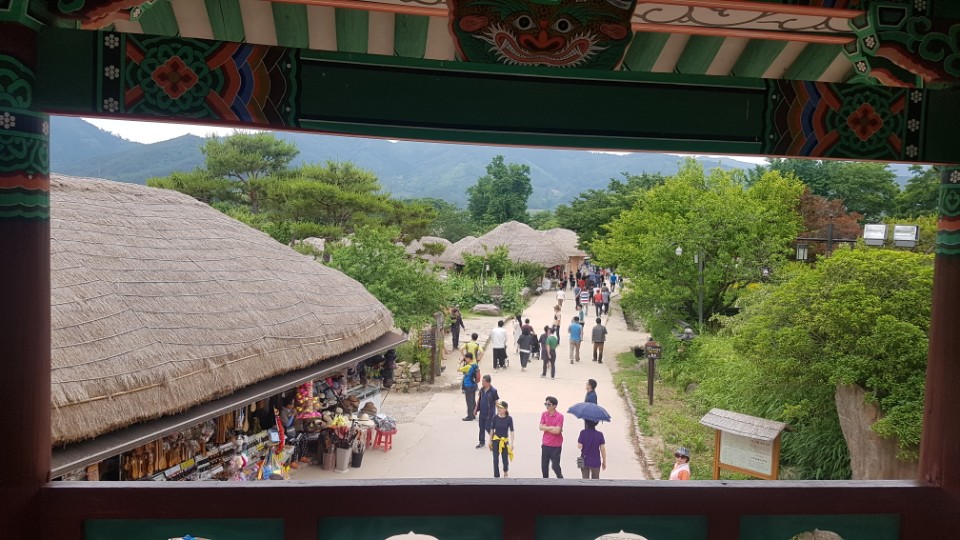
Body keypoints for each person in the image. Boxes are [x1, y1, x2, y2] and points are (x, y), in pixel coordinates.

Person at [539, 396, 564, 478]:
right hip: (545, 444)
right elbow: (540, 427)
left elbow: (557, 431)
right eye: (545, 404)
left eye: (549, 404)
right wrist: (552, 427)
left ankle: (560, 478)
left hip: (556, 445)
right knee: (544, 467)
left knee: (555, 466)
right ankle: (545, 482)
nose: (547, 406)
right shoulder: (544, 414)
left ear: (554, 406)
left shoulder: (560, 416)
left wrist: (546, 428)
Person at [490, 400, 515, 478]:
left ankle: (505, 471)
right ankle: (496, 476)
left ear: (505, 409)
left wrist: (512, 443)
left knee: (505, 459)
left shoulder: (509, 419)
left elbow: (512, 431)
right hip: (496, 440)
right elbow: (492, 429)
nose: (499, 409)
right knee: (495, 459)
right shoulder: (495, 418)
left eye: (501, 408)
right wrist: (490, 441)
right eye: (498, 407)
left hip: (504, 441)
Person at [476, 374, 500, 449]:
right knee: (481, 427)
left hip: (490, 414)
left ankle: (495, 440)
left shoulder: (493, 391)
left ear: (488, 382)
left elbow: (496, 402)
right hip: (482, 412)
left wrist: (499, 411)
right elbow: (479, 399)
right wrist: (475, 409)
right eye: (482, 381)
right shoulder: (482, 390)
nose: (482, 383)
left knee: (488, 428)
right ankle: (481, 442)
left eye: (484, 381)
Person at [458, 352, 479, 421]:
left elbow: (458, 369)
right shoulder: (475, 365)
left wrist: (460, 362)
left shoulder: (468, 366)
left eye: (466, 358)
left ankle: (470, 416)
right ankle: (473, 414)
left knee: (469, 401)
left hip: (468, 385)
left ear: (468, 358)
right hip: (474, 385)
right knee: (473, 400)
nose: (465, 360)